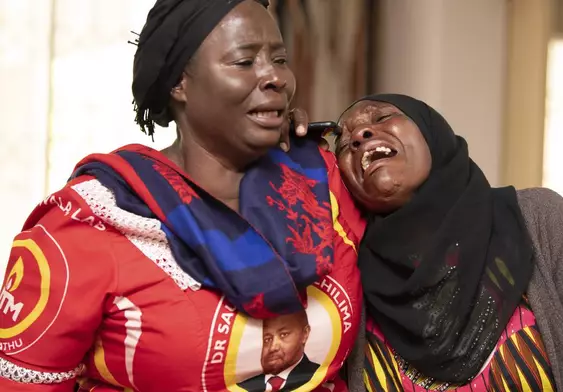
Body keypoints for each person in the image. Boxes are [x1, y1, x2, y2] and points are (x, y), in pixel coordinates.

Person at [0, 1, 365, 391]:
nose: (275, 77)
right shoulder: (88, 225)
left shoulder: (321, 179)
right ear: (179, 83)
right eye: (244, 62)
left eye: (279, 59)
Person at [330, 94, 563, 391]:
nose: (359, 136)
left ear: (432, 132)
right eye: (344, 144)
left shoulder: (544, 221)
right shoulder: (342, 270)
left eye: (382, 117)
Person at [239, 311, 320, 391]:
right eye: (267, 339)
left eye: (283, 334)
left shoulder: (321, 377)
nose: (273, 347)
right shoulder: (241, 388)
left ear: (305, 334)